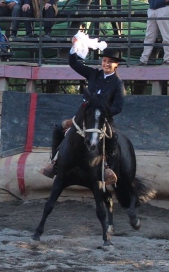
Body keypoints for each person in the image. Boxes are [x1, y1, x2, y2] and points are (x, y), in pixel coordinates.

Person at [41, 45, 126, 184]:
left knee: (113, 136)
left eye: (110, 61)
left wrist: (103, 113)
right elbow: (73, 63)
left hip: (102, 119)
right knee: (58, 128)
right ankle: (54, 163)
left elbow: (118, 106)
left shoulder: (118, 83)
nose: (106, 64)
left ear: (116, 65)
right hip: (83, 116)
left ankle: (107, 168)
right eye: (104, 60)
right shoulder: (93, 74)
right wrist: (74, 47)